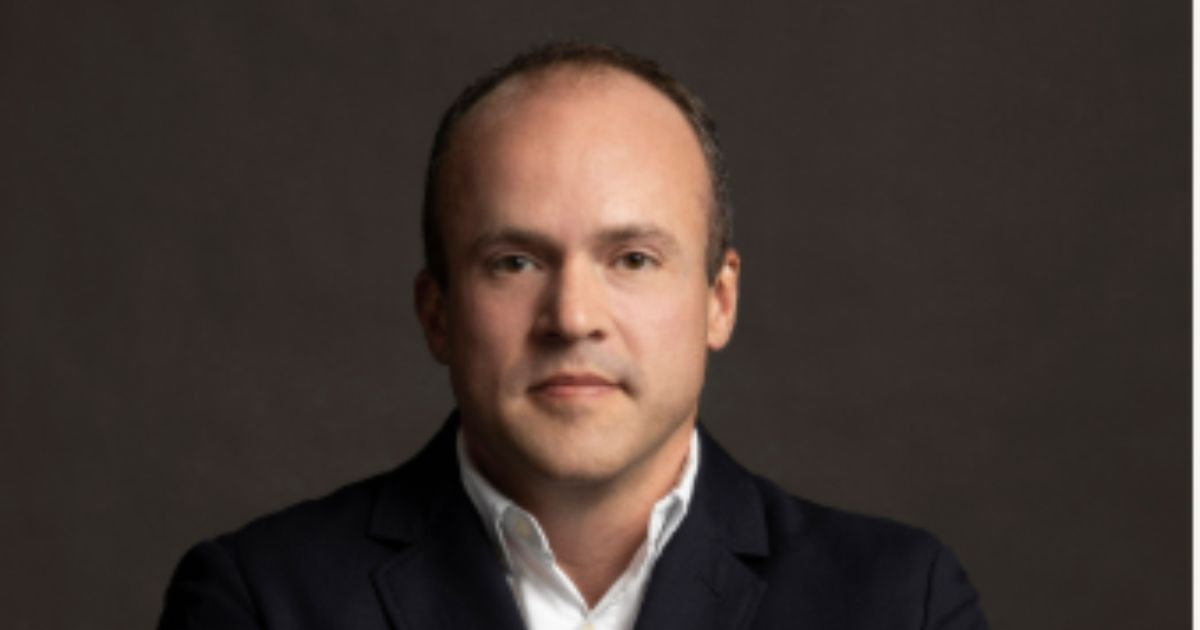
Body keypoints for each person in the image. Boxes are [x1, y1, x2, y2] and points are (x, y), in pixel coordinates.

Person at [158, 42, 988, 630]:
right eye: (514, 262)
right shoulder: (261, 600)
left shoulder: (898, 603)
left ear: (719, 301)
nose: (573, 317)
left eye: (632, 258)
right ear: (437, 313)